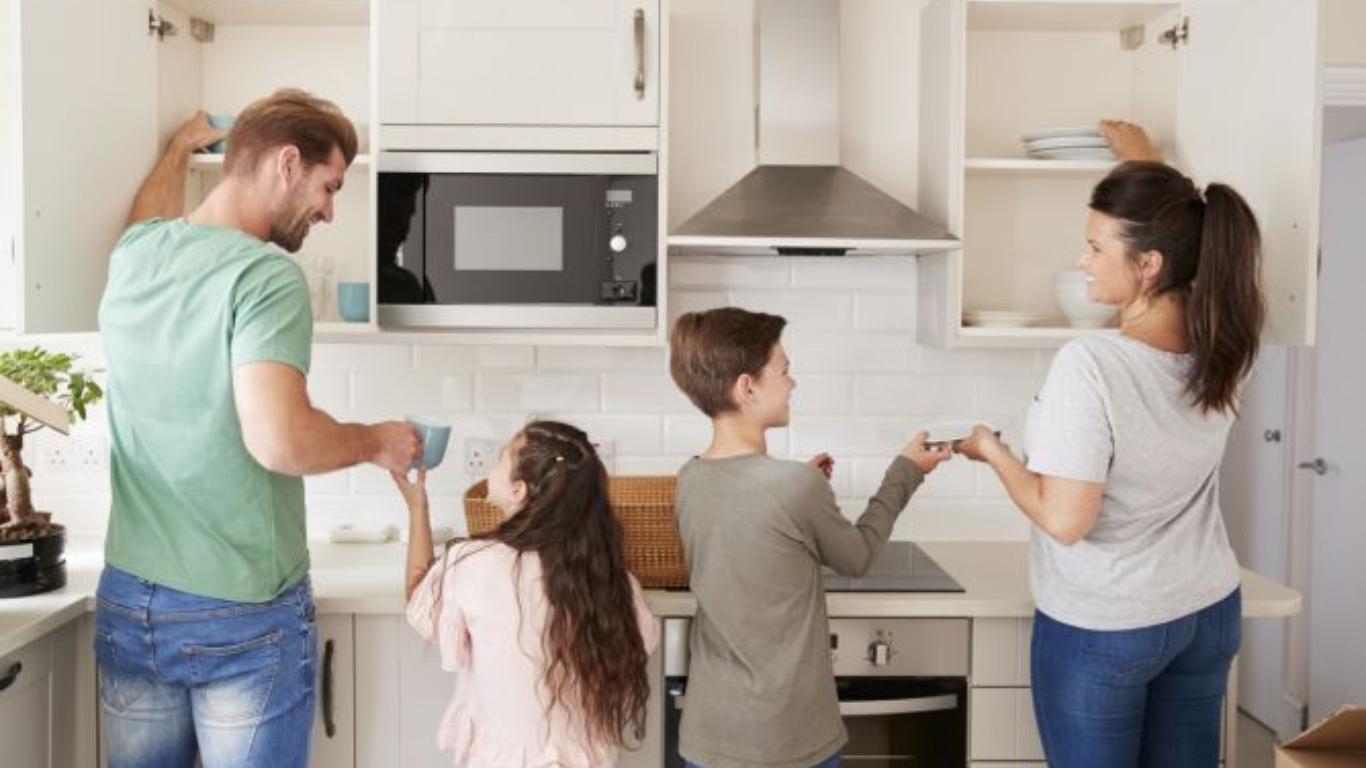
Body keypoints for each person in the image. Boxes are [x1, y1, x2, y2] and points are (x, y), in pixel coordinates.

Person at [95, 89, 422, 768]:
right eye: (329, 186)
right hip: (237, 610)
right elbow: (280, 440)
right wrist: (375, 440)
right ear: (285, 162)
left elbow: (147, 213)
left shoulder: (137, 254)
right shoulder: (265, 274)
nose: (330, 210)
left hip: (131, 600)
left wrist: (178, 151)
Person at [954, 120, 1264, 767]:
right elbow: (1183, 234)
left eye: (1096, 246)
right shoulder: (1229, 347)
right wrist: (1144, 170)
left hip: (1109, 623)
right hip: (1205, 609)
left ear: (1149, 264)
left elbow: (1066, 520)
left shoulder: (1092, 363)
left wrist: (993, 452)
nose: (1082, 260)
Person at [668, 306, 951, 768]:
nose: (792, 383)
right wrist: (906, 472)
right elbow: (857, 557)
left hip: (709, 734)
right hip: (788, 739)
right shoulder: (792, 487)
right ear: (747, 387)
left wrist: (804, 486)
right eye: (784, 371)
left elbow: (752, 528)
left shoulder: (691, 478)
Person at [394, 420, 660, 766]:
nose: (494, 463)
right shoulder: (611, 580)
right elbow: (643, 641)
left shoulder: (472, 564)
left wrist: (418, 509)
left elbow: (420, 599)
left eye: (502, 457)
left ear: (519, 490)